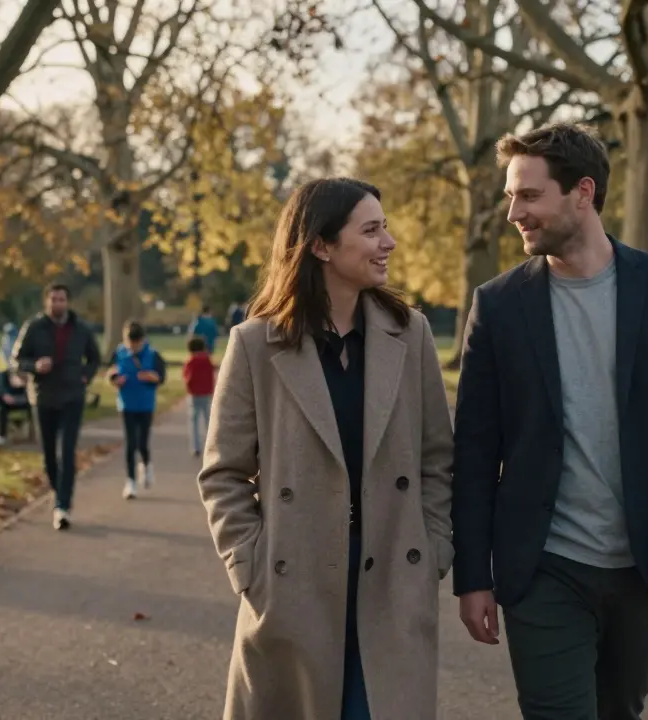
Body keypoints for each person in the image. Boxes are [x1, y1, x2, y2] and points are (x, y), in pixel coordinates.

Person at [452, 123, 648, 720]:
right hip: (541, 565)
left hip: (643, 563)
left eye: (528, 195)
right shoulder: (498, 305)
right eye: (510, 197)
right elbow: (475, 452)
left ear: (583, 192)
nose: (513, 213)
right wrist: (472, 574)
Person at [197, 178, 453, 720]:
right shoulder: (255, 344)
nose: (388, 242)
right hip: (294, 585)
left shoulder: (411, 334)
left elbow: (438, 459)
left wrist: (431, 549)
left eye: (385, 228)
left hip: (393, 577)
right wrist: (251, 565)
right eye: (371, 230)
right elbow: (223, 473)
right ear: (321, 245)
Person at [13, 282, 102, 531]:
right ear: (46, 301)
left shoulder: (81, 328)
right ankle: (58, 491)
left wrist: (85, 376)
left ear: (68, 302)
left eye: (61, 299)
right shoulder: (34, 327)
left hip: (72, 396)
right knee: (49, 455)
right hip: (43, 397)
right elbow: (17, 359)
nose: (57, 304)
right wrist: (34, 366)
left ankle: (62, 506)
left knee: (67, 451)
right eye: (53, 299)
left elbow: (94, 358)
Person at [107, 320, 167, 499]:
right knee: (130, 443)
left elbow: (161, 377)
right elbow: (110, 373)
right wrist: (115, 380)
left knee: (142, 443)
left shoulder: (153, 354)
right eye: (129, 343)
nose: (132, 347)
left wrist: (152, 377)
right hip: (126, 404)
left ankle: (147, 466)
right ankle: (130, 481)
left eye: (136, 343)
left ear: (142, 340)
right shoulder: (119, 353)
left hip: (146, 404)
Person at [182, 336, 216, 457]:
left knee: (194, 421)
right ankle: (212, 445)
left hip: (194, 394)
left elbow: (188, 377)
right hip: (206, 393)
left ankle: (196, 447)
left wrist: (188, 387)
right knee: (209, 421)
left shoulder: (190, 361)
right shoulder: (207, 360)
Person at [0, 370, 29, 447]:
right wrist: (5, 395)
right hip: (12, 399)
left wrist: (24, 382)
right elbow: (0, 386)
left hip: (29, 399)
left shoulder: (27, 368)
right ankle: (1, 435)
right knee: (0, 403)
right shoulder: (5, 373)